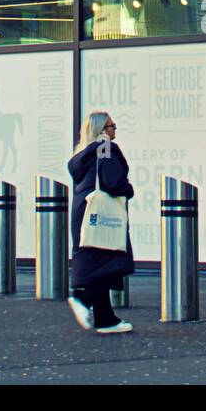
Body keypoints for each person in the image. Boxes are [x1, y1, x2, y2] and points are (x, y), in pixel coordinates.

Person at [67, 111, 135, 334]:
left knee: (100, 262)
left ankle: (106, 319)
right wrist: (128, 189)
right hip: (100, 213)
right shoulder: (104, 146)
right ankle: (82, 299)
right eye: (111, 125)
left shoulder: (84, 152)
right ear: (101, 131)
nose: (114, 129)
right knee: (106, 259)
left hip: (85, 211)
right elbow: (112, 180)